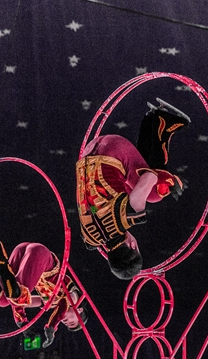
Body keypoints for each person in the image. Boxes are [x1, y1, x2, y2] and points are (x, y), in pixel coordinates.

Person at [76, 100, 190, 280]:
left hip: (110, 149)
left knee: (154, 193)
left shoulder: (128, 216)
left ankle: (163, 121)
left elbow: (149, 177)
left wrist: (172, 182)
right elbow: (94, 211)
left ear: (133, 246)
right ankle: (152, 120)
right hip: (88, 151)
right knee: (130, 187)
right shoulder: (89, 238)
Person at [0, 239, 85, 347]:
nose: (66, 322)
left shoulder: (50, 303)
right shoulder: (77, 299)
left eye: (67, 324)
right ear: (79, 311)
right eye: (72, 322)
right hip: (40, 256)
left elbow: (22, 303)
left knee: (4, 301)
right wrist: (52, 326)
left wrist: (23, 324)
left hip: (24, 252)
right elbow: (64, 303)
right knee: (18, 297)